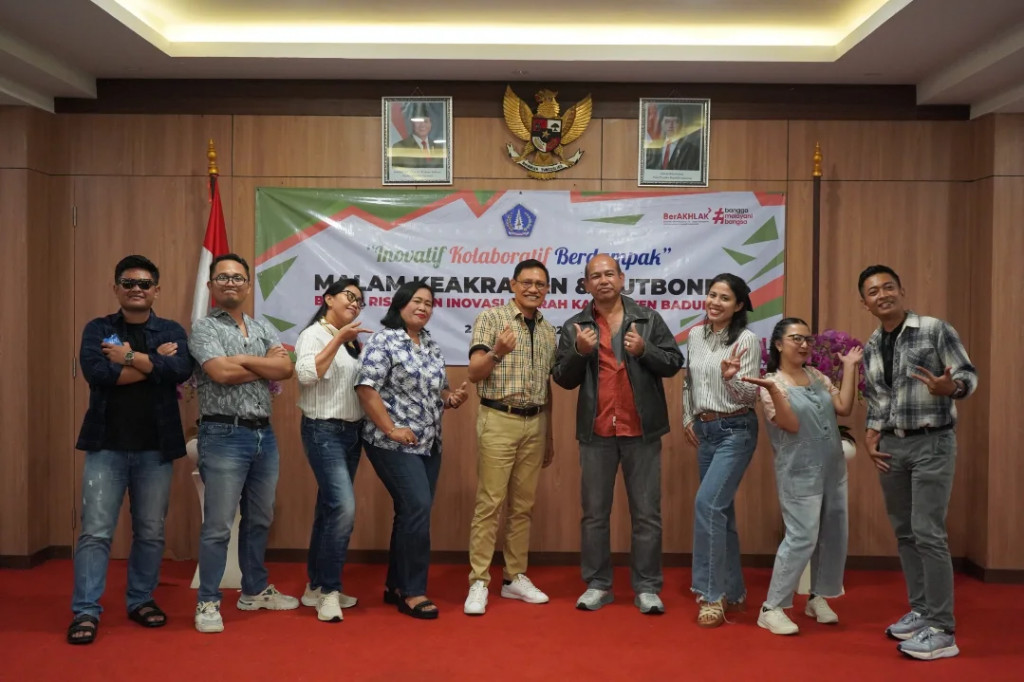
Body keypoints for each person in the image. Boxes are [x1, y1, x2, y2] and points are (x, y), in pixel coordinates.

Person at [68, 255, 192, 645]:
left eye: (144, 283)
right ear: (116, 288)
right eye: (128, 283)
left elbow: (181, 371)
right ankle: (86, 610)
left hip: (155, 448)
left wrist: (127, 357)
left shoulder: (171, 329)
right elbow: (97, 375)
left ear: (156, 290)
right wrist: (154, 364)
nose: (136, 289)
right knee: (95, 532)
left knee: (151, 532)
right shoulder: (99, 329)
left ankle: (141, 600)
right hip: (106, 445)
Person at [553, 254, 684, 615]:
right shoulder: (575, 326)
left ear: (622, 278)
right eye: (595, 276)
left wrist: (645, 350)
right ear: (586, 285)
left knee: (647, 515)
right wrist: (579, 352)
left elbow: (674, 362)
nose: (603, 280)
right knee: (594, 515)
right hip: (596, 432)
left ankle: (647, 587)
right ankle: (598, 584)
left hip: (641, 430)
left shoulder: (648, 319)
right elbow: (563, 378)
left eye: (609, 274)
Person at [858, 264, 977, 660]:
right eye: (873, 291)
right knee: (906, 533)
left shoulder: (934, 329)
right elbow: (878, 398)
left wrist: (951, 386)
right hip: (892, 447)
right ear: (865, 303)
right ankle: (923, 611)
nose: (882, 295)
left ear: (901, 290)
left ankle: (942, 630)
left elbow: (968, 376)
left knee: (928, 533)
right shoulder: (872, 344)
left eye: (888, 287)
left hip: (932, 442)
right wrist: (872, 433)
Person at [189, 253, 298, 634]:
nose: (231, 283)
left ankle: (253, 591)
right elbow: (219, 372)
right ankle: (208, 601)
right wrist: (260, 363)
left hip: (263, 435)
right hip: (223, 434)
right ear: (211, 286)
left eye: (238, 277)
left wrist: (241, 360)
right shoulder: (203, 328)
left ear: (249, 286)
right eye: (223, 277)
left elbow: (286, 368)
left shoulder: (262, 326)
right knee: (218, 525)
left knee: (260, 518)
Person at [355, 281, 469, 619]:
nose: (423, 307)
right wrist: (391, 429)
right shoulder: (384, 340)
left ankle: (395, 585)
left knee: (412, 512)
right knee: (417, 507)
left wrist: (451, 398)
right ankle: (413, 590)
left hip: (429, 442)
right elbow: (366, 388)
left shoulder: (430, 343)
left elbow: (439, 389)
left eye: (429, 303)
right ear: (400, 304)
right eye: (416, 301)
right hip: (391, 442)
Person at [743, 318, 861, 635]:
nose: (804, 344)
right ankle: (772, 607)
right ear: (778, 344)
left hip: (832, 467)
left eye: (807, 339)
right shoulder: (772, 383)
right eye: (796, 338)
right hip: (799, 470)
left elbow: (843, 407)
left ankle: (817, 597)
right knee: (802, 536)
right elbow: (790, 425)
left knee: (833, 532)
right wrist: (773, 392)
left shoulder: (816, 375)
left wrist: (850, 367)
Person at [463, 259, 558, 616]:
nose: (533, 289)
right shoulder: (491, 318)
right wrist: (497, 351)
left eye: (540, 284)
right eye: (527, 282)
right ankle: (479, 580)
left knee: (523, 507)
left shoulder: (548, 330)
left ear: (547, 290)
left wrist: (550, 434)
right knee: (489, 504)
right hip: (498, 419)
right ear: (513, 284)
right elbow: (474, 373)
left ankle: (514, 577)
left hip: (536, 422)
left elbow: (547, 386)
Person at [682, 273, 760, 628]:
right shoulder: (695, 335)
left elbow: (750, 396)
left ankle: (711, 595)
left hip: (736, 430)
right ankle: (735, 591)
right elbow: (689, 382)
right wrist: (688, 416)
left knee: (707, 505)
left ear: (739, 305)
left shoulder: (746, 340)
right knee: (721, 511)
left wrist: (731, 379)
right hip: (706, 430)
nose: (715, 302)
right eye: (712, 295)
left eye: (724, 298)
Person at [294, 278, 373, 622]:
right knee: (343, 507)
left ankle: (314, 587)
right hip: (322, 430)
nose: (355, 303)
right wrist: (338, 339)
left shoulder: (354, 342)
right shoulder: (314, 334)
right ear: (328, 299)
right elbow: (306, 376)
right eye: (349, 296)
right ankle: (329, 590)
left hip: (352, 433)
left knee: (328, 509)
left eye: (360, 300)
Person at [644, 105, 701, 171]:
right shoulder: (652, 147)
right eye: (667, 121)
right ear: (661, 123)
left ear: (681, 124)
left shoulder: (692, 150)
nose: (670, 125)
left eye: (675, 121)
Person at [391, 103, 444, 169]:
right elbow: (395, 172)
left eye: (426, 121)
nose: (422, 125)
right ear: (412, 123)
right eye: (418, 121)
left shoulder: (438, 148)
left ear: (430, 124)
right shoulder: (399, 147)